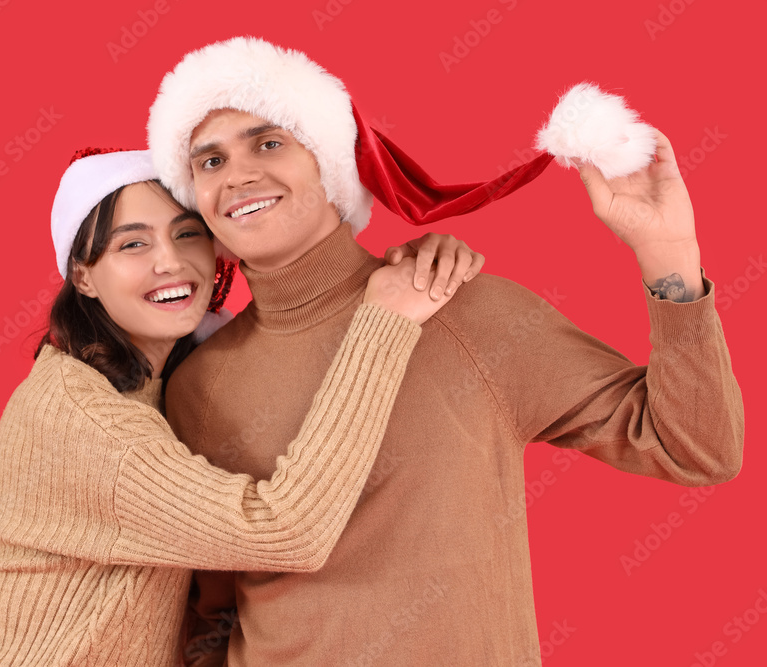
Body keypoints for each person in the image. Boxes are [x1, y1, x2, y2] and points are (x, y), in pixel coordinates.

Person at [146, 37, 745, 665]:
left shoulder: (466, 311)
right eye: (208, 162)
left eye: (269, 143)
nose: (238, 174)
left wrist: (669, 255)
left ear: (329, 162)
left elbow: (696, 448)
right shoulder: (197, 385)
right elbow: (209, 616)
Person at [0, 147, 488, 665]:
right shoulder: (85, 421)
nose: (170, 261)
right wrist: (384, 322)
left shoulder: (172, 383)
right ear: (83, 277)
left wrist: (423, 264)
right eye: (132, 245)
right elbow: (285, 531)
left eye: (187, 233)